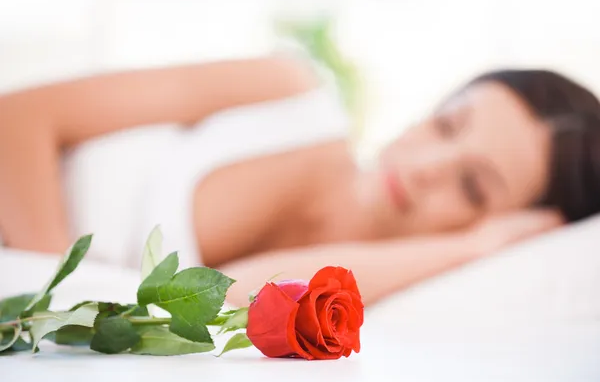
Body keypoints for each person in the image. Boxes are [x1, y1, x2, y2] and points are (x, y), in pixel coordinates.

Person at [1, 56, 599, 307]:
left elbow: (232, 299)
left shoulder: (360, 289)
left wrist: (476, 249)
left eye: (473, 187)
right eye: (446, 125)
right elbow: (17, 119)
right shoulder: (287, 94)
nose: (423, 168)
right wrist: (56, 300)